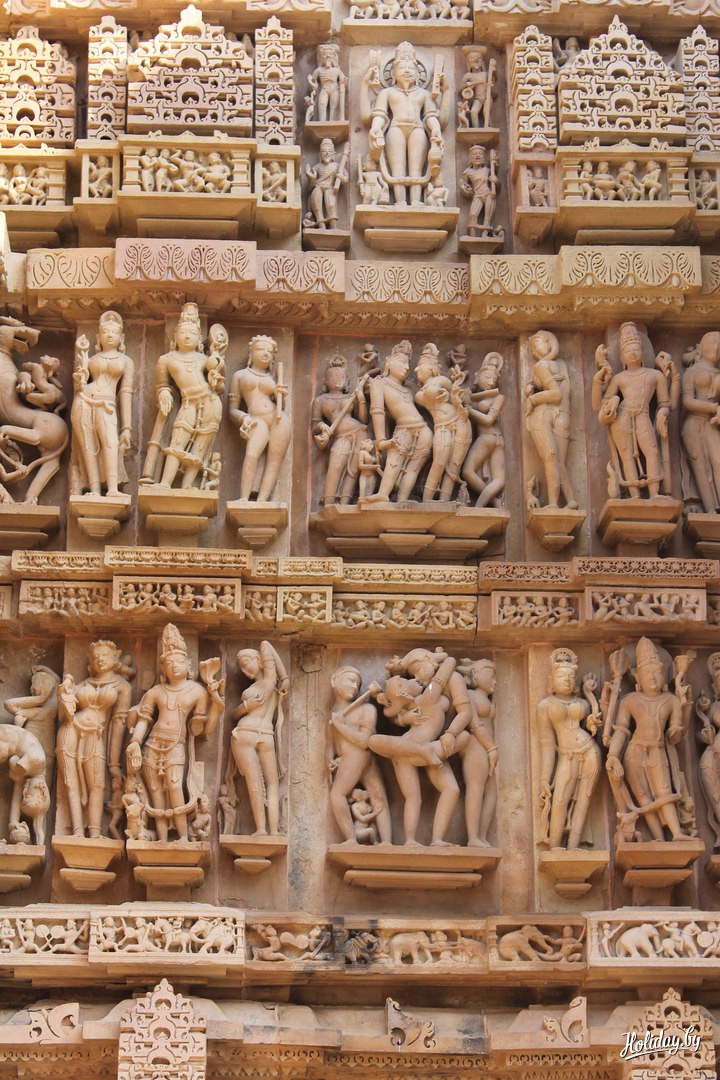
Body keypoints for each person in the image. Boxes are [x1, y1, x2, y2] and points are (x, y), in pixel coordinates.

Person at [125, 625, 223, 841]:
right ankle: (161, 840)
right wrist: (135, 742)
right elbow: (143, 720)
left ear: (189, 664)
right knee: (155, 791)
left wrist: (216, 704)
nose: (174, 666)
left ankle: (183, 837)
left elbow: (201, 730)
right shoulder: (155, 692)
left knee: (175, 786)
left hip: (176, 743)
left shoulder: (197, 691)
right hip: (151, 744)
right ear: (163, 667)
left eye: (179, 662)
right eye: (169, 663)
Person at [140, 303, 223, 490]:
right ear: (175, 335)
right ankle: (165, 483)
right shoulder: (167, 359)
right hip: (188, 402)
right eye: (183, 332)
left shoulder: (204, 359)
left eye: (192, 333)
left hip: (211, 401)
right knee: (178, 438)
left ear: (199, 338)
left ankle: (188, 486)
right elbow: (162, 384)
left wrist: (217, 378)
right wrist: (164, 393)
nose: (187, 336)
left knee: (201, 445)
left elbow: (220, 387)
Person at [592, 321, 678, 499]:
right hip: (622, 417)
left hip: (643, 414)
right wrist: (598, 382)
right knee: (627, 455)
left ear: (643, 352)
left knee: (652, 451)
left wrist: (662, 412)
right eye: (628, 350)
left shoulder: (655, 375)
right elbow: (599, 405)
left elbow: (666, 403)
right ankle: (634, 495)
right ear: (621, 357)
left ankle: (654, 493)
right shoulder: (619, 378)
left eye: (636, 349)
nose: (632, 352)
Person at [360, 41, 450, 207]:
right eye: (402, 68)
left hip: (417, 128)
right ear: (393, 73)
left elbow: (431, 116)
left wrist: (435, 128)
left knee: (416, 168)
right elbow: (379, 114)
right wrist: (376, 127)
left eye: (411, 68)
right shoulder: (387, 93)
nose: (407, 71)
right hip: (396, 128)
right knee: (398, 167)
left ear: (418, 74)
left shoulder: (423, 94)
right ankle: (400, 201)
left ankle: (416, 201)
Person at [57, 640, 132, 838]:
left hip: (96, 732)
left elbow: (119, 724)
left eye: (105, 655)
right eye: (96, 656)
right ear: (90, 662)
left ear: (115, 658)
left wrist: (114, 764)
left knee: (97, 784)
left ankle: (95, 833)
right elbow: (64, 714)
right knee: (70, 782)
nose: (100, 659)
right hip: (70, 729)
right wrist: (63, 694)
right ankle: (77, 831)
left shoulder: (122, 686)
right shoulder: (81, 685)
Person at [536, 649, 601, 850]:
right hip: (567, 754)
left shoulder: (582, 703)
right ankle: (555, 846)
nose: (567, 680)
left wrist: (590, 695)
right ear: (551, 681)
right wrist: (544, 778)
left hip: (590, 751)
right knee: (560, 798)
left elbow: (591, 724)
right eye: (562, 676)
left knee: (584, 799)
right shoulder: (545, 706)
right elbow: (547, 744)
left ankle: (573, 846)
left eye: (571, 676)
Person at [71, 310, 134, 498]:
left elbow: (125, 393)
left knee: (111, 443)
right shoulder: (90, 360)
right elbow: (79, 384)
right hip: (83, 401)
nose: (109, 335)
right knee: (88, 447)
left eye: (114, 332)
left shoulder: (126, 361)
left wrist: (127, 428)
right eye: (105, 331)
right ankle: (95, 490)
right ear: (98, 337)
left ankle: (113, 489)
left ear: (121, 337)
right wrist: (81, 362)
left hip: (107, 404)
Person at [327, 666, 391, 844]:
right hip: (349, 758)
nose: (355, 686)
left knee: (337, 795)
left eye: (357, 683)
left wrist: (341, 725)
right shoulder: (333, 714)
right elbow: (329, 743)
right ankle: (385, 842)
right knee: (377, 795)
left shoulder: (366, 709)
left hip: (356, 754)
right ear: (334, 681)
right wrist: (329, 759)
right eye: (350, 680)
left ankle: (351, 839)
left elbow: (364, 741)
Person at [230, 641, 288, 835]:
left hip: (261, 734)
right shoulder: (265, 683)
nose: (245, 670)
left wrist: (285, 677)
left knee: (272, 784)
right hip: (247, 732)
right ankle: (263, 830)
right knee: (255, 783)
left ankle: (272, 831)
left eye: (247, 663)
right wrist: (247, 707)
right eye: (241, 668)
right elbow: (233, 716)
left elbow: (265, 644)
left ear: (259, 660)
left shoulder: (270, 680)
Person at [228, 335, 290, 502]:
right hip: (256, 419)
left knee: (274, 461)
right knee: (251, 454)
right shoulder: (239, 376)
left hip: (278, 419)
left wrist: (280, 395)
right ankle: (244, 497)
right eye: (260, 349)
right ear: (251, 353)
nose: (265, 353)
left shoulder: (272, 379)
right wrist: (243, 417)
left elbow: (281, 406)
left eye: (270, 351)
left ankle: (262, 500)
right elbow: (232, 410)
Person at [524, 330, 578, 509]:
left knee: (551, 457)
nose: (534, 351)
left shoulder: (541, 366)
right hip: (564, 414)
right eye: (532, 348)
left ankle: (553, 503)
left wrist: (532, 399)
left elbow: (556, 394)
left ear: (548, 342)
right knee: (559, 462)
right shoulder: (560, 364)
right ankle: (571, 501)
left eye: (536, 344)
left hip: (547, 412)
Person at [680, 331, 720, 513]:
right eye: (712, 342)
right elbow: (687, 402)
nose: (716, 347)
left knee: (718, 462)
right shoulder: (692, 372)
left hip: (713, 425)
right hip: (694, 424)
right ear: (701, 348)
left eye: (719, 344)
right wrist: (714, 408)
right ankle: (710, 509)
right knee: (701, 467)